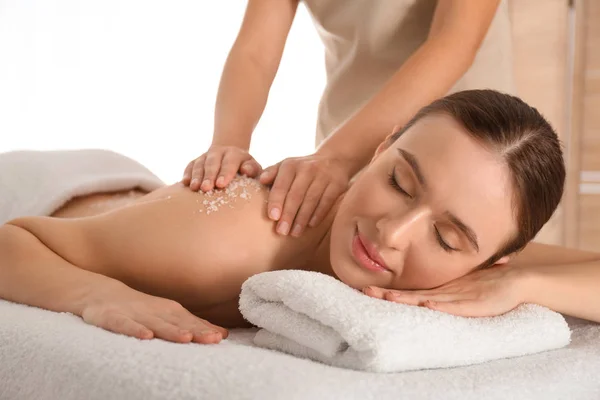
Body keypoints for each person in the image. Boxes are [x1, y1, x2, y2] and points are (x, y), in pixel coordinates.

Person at [1, 91, 599, 348]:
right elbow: (14, 239)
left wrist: (522, 285)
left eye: (446, 238)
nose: (393, 233)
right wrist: (92, 294)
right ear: (378, 148)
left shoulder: (474, 266)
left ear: (491, 258)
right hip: (47, 187)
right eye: (398, 180)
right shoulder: (227, 237)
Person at [181, 0, 514, 240]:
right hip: (348, 129)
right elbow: (256, 51)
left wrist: (336, 156)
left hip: (463, 137)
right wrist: (228, 144)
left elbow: (454, 41)